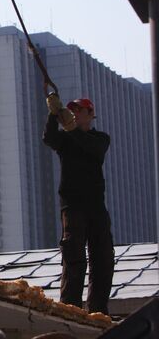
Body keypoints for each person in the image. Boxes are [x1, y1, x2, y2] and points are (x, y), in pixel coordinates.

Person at [43, 95, 114, 315]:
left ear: (90, 114)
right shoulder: (65, 139)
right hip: (72, 205)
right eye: (72, 110)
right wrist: (52, 115)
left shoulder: (99, 138)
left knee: (102, 258)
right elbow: (49, 138)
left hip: (95, 205)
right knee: (74, 257)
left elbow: (92, 149)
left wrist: (72, 129)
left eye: (79, 110)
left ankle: (97, 311)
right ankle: (70, 309)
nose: (74, 113)